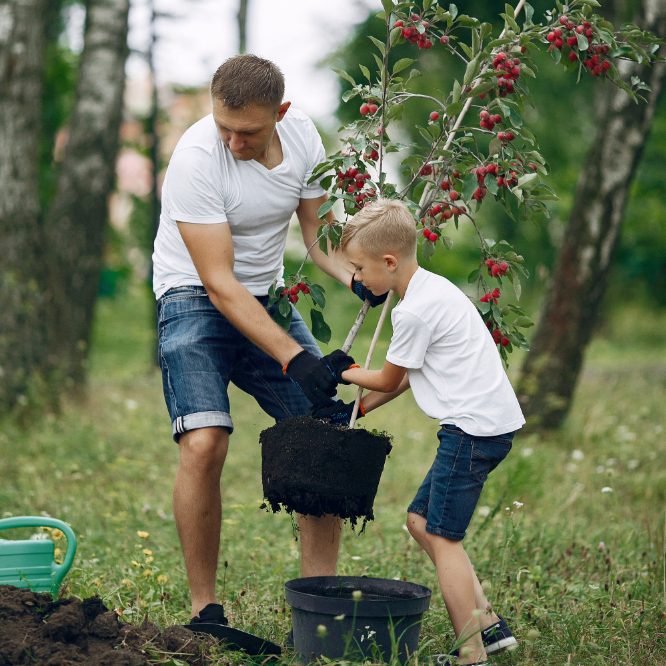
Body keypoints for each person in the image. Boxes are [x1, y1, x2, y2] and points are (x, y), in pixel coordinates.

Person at [151, 54, 381, 626]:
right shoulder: (196, 158)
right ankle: (205, 609)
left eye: (248, 131)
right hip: (192, 298)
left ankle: (318, 602)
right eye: (223, 126)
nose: (233, 142)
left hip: (265, 296)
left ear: (280, 113)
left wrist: (355, 277)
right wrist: (296, 358)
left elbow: (315, 229)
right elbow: (220, 285)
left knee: (327, 431)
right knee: (204, 442)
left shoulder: (303, 136)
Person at [317, 199, 525, 666]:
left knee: (442, 536)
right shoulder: (433, 290)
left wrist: (344, 370)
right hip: (483, 426)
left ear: (388, 262)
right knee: (419, 523)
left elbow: (389, 377)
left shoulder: (412, 312)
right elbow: (406, 375)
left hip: (472, 430)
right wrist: (359, 409)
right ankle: (489, 626)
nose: (358, 278)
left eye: (360, 268)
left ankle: (472, 652)